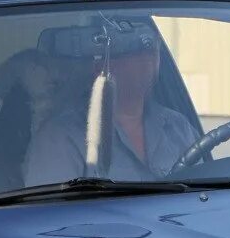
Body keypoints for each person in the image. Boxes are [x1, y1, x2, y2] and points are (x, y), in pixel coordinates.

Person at [22, 22, 198, 185]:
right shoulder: (59, 138)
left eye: (151, 44)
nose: (148, 54)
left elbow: (207, 196)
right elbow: (54, 216)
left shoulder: (178, 126)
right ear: (100, 65)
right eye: (132, 47)